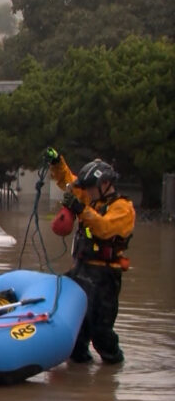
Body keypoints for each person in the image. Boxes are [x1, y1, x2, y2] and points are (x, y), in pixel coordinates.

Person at [45, 148, 134, 364]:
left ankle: (113, 366)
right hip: (81, 270)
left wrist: (81, 209)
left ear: (105, 184)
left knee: (101, 333)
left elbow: (104, 228)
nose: (88, 192)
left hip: (105, 275)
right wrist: (57, 162)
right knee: (76, 328)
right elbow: (69, 180)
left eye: (92, 188)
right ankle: (79, 375)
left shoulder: (123, 208)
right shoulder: (90, 198)